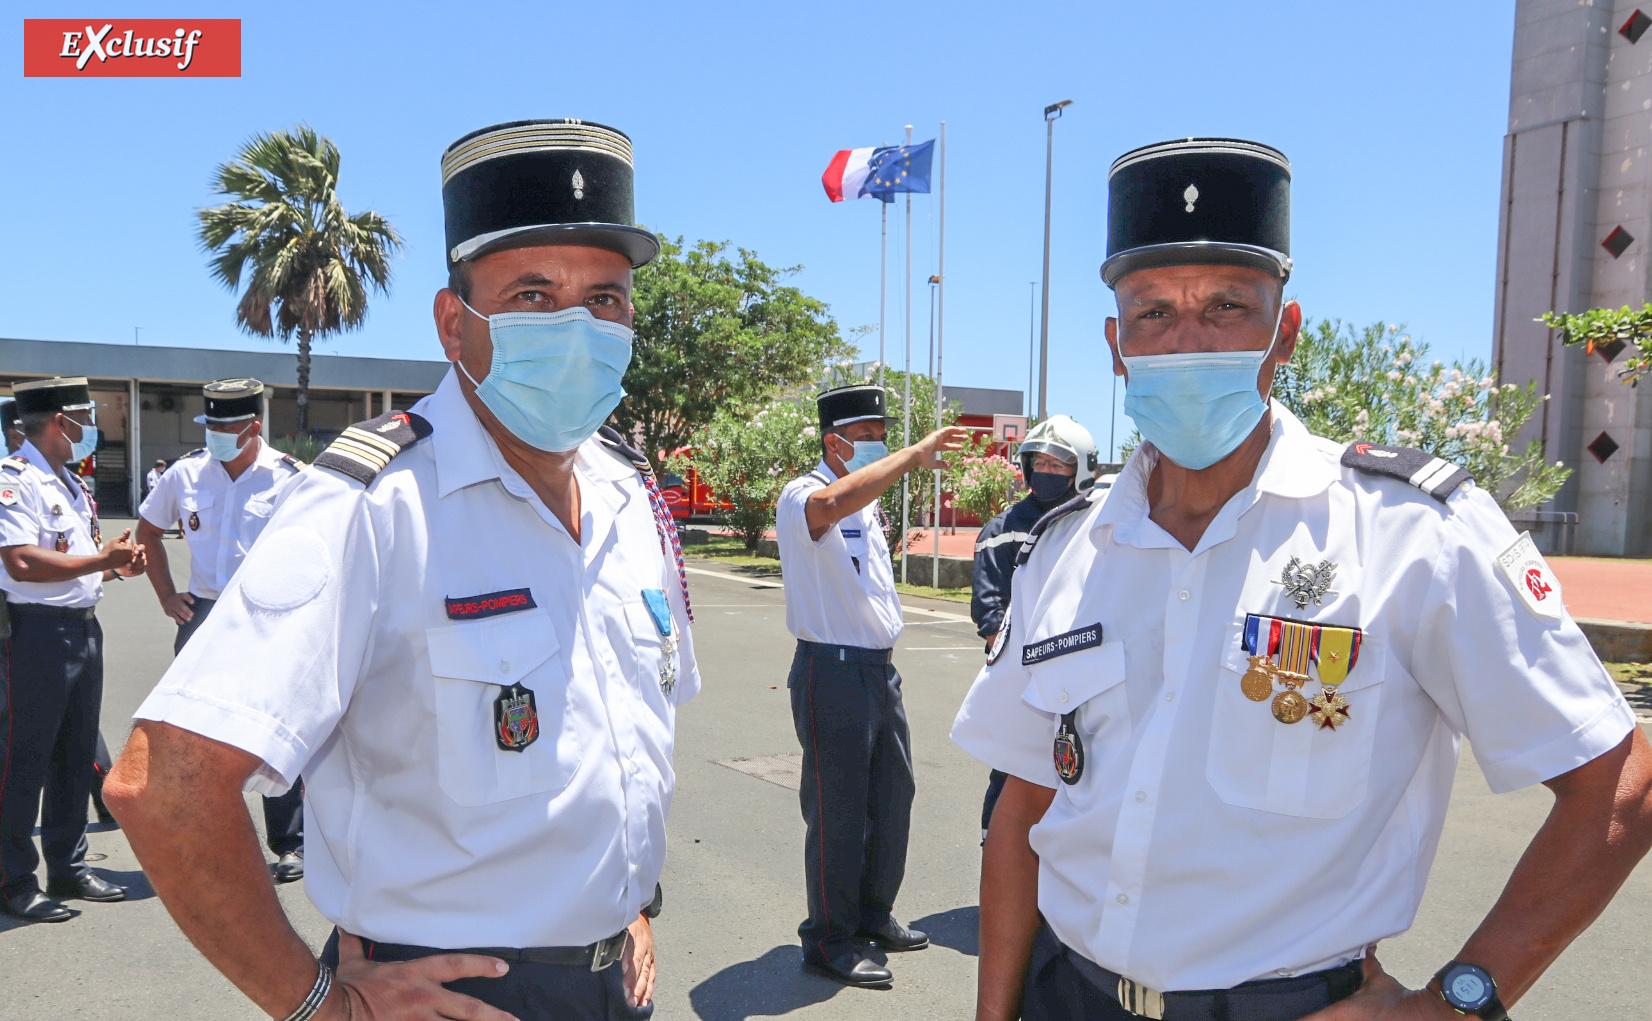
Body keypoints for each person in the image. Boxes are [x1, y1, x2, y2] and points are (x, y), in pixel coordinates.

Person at [952, 137, 1652, 1021]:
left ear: (1286, 332)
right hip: (1070, 995)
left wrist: (1457, 1002)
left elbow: (1618, 780)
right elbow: (1024, 807)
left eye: (1228, 306)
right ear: (1116, 343)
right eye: (1154, 312)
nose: (1188, 339)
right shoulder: (1066, 547)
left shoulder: (1409, 532)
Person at [106, 119, 696, 1021]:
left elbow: (622, 750)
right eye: (534, 295)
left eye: (605, 298)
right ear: (453, 323)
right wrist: (319, 1004)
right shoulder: (372, 505)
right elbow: (165, 780)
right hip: (456, 995)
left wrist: (629, 909)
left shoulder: (625, 496)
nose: (578, 327)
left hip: (620, 981)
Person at [775, 384, 968, 989]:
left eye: (884, 438)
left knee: (892, 796)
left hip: (878, 671)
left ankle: (872, 914)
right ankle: (828, 939)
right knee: (838, 809)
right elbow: (830, 504)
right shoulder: (804, 494)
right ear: (835, 442)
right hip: (830, 671)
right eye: (869, 439)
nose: (880, 448)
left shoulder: (867, 506)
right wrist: (910, 456)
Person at [134, 378, 308, 882]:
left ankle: (290, 843)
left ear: (254, 426)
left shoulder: (290, 479)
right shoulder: (184, 475)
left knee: (274, 734)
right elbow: (147, 533)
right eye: (210, 424)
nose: (215, 433)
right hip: (204, 616)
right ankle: (207, 835)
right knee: (196, 733)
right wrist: (167, 595)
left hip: (266, 618)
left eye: (226, 425)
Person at [0, 376, 146, 922]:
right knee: (22, 758)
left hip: (82, 626)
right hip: (34, 632)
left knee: (73, 751)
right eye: (85, 416)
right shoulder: (14, 480)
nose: (91, 427)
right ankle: (13, 879)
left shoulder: (69, 481)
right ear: (61, 422)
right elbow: (21, 562)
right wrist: (102, 561)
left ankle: (67, 864)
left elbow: (76, 555)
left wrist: (118, 565)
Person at [969, 414, 1098, 840]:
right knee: (1012, 773)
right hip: (1025, 682)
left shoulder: (1099, 525)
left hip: (1088, 679)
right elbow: (990, 613)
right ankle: (997, 855)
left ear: (1081, 470)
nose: (1045, 473)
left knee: (1087, 777)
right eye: (1038, 464)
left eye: (1057, 466)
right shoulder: (1002, 530)